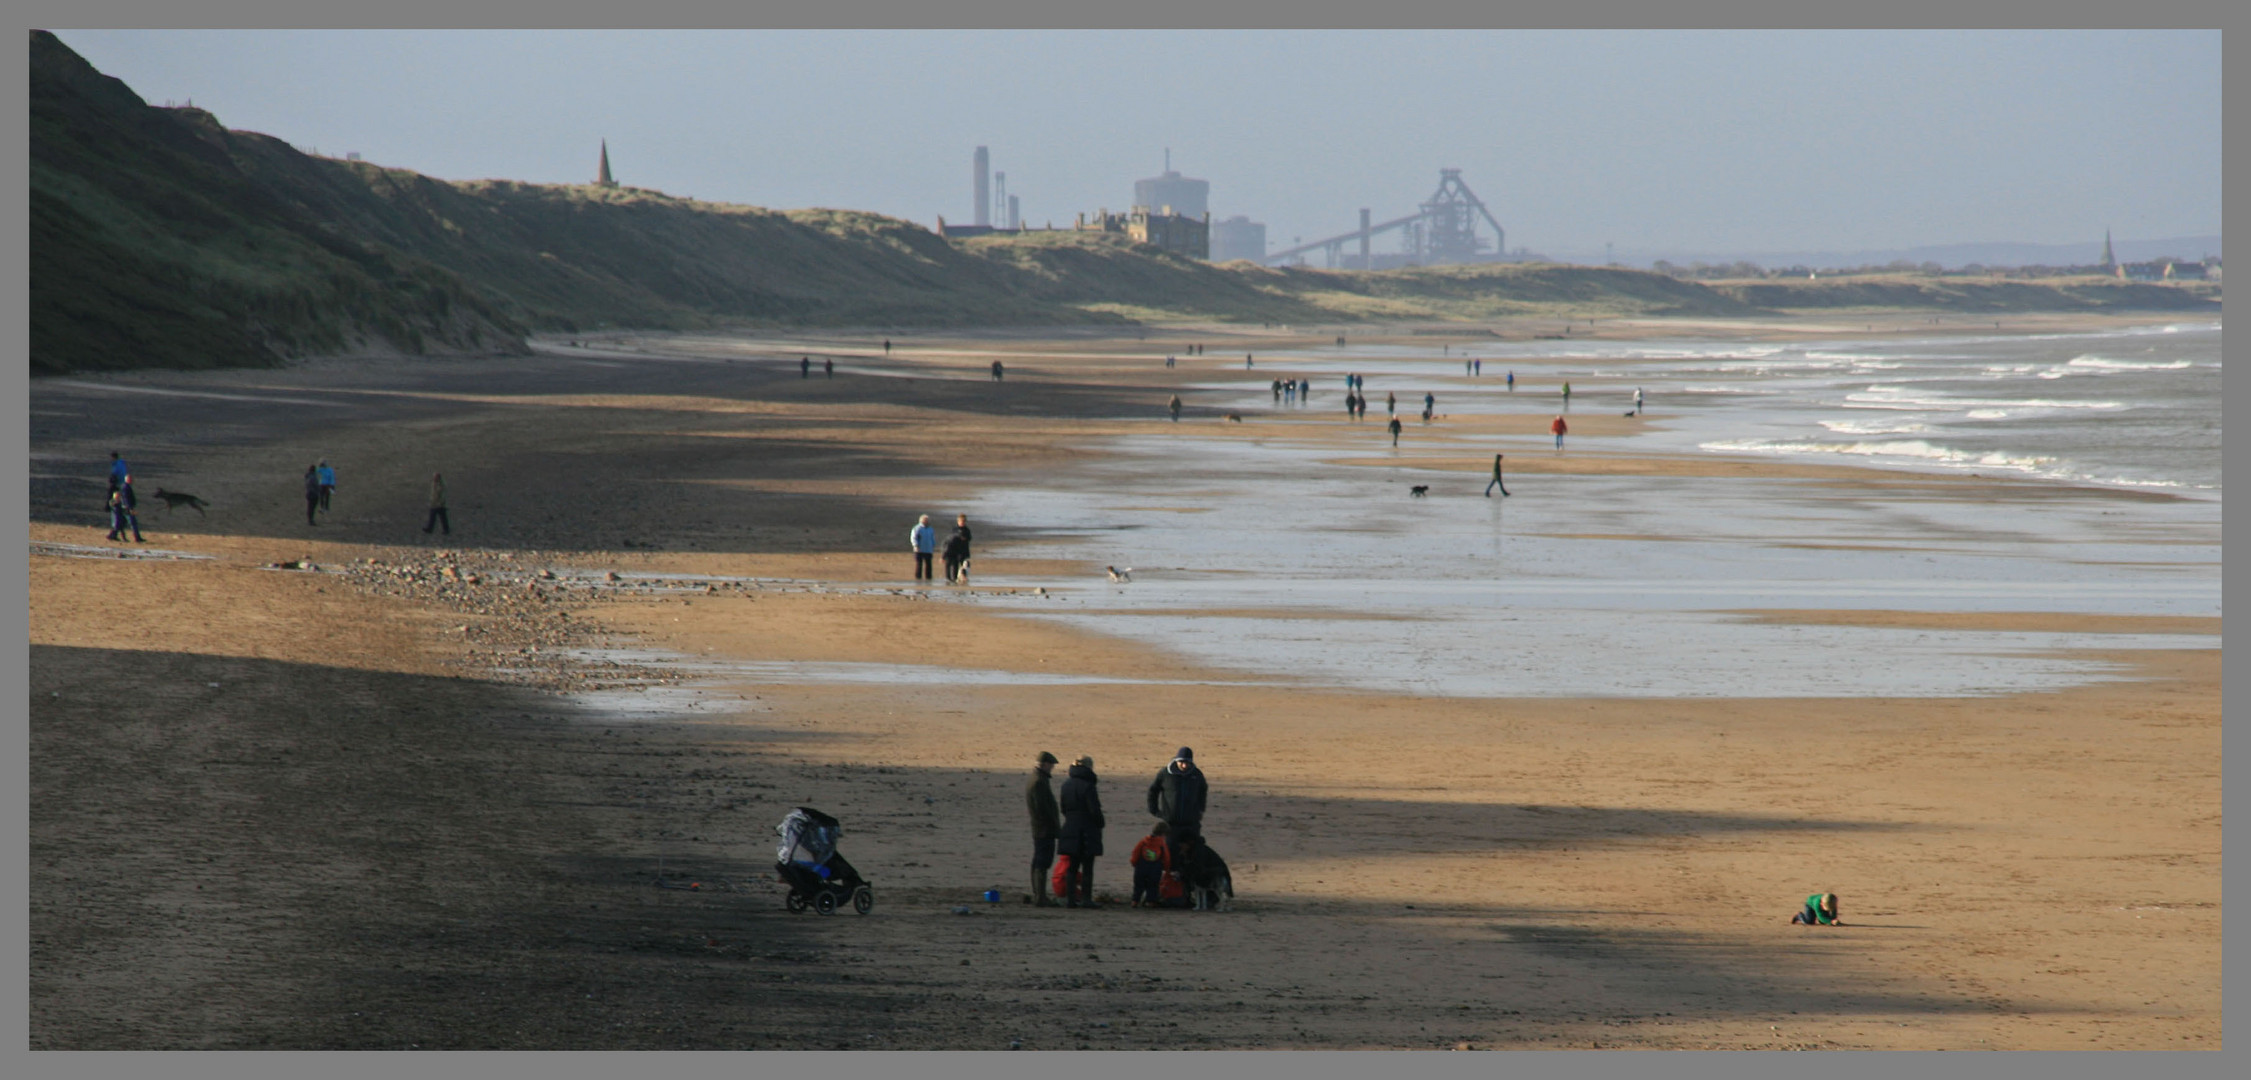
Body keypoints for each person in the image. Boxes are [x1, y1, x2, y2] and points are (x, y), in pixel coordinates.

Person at [1057, 755, 1106, 908]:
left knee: (1072, 866)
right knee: (1087, 867)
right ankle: (1086, 899)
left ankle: (1071, 900)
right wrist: (1100, 823)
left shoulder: (1066, 785)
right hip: (1087, 830)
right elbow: (1094, 810)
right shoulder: (1088, 786)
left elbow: (1063, 808)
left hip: (1070, 827)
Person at [1145, 747, 1208, 863]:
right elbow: (1153, 790)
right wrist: (1154, 809)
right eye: (1182, 762)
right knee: (1170, 854)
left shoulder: (1196, 775)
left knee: (1194, 854)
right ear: (1176, 760)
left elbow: (1203, 790)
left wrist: (1200, 810)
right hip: (1171, 823)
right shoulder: (1165, 774)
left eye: (1187, 762)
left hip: (1191, 823)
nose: (1184, 765)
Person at [1026, 751, 1062, 907]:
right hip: (1044, 829)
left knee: (1038, 861)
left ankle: (1038, 894)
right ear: (1045, 764)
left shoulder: (1035, 780)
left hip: (1039, 828)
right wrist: (1054, 826)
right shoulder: (1039, 782)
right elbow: (1044, 809)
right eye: (1051, 765)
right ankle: (1040, 896)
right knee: (1043, 861)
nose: (1052, 768)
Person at [1130, 822, 1173, 909]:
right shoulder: (1161, 844)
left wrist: (1134, 863)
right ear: (1163, 834)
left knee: (1138, 885)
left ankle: (1135, 901)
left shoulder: (1143, 841)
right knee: (1153, 886)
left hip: (1141, 867)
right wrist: (1167, 869)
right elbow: (1166, 857)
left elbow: (1135, 853)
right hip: (1155, 868)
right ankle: (1151, 902)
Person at [108, 478, 143, 542]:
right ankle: (137, 537)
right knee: (132, 523)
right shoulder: (126, 488)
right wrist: (130, 508)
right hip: (127, 509)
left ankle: (113, 535)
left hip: (124, 510)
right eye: (131, 479)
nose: (132, 481)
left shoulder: (125, 487)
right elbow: (126, 499)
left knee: (121, 525)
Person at [943, 515, 973, 584]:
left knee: (964, 566)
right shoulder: (955, 529)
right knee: (954, 565)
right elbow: (951, 538)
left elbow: (969, 538)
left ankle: (964, 578)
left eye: (963, 521)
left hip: (964, 550)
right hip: (955, 550)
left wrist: (965, 538)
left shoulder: (967, 530)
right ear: (958, 521)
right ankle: (955, 578)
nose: (962, 523)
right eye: (961, 521)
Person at [910, 514, 937, 580]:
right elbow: (913, 538)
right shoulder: (917, 528)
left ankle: (928, 577)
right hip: (919, 549)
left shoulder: (930, 529)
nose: (926, 521)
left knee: (928, 565)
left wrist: (933, 545)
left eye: (927, 520)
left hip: (928, 549)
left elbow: (932, 538)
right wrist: (915, 545)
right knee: (919, 564)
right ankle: (918, 578)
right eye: (925, 520)